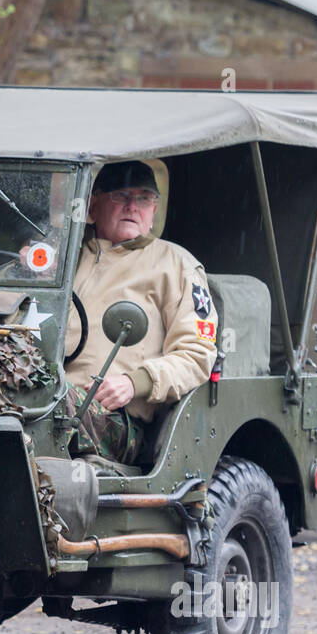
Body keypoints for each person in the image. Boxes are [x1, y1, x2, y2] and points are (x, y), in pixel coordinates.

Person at [64, 160, 218, 464]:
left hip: (115, 420)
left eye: (144, 198)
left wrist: (136, 382)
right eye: (120, 196)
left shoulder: (175, 265)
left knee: (47, 406)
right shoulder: (62, 257)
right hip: (50, 395)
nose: (132, 206)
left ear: (153, 212)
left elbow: (197, 354)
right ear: (93, 206)